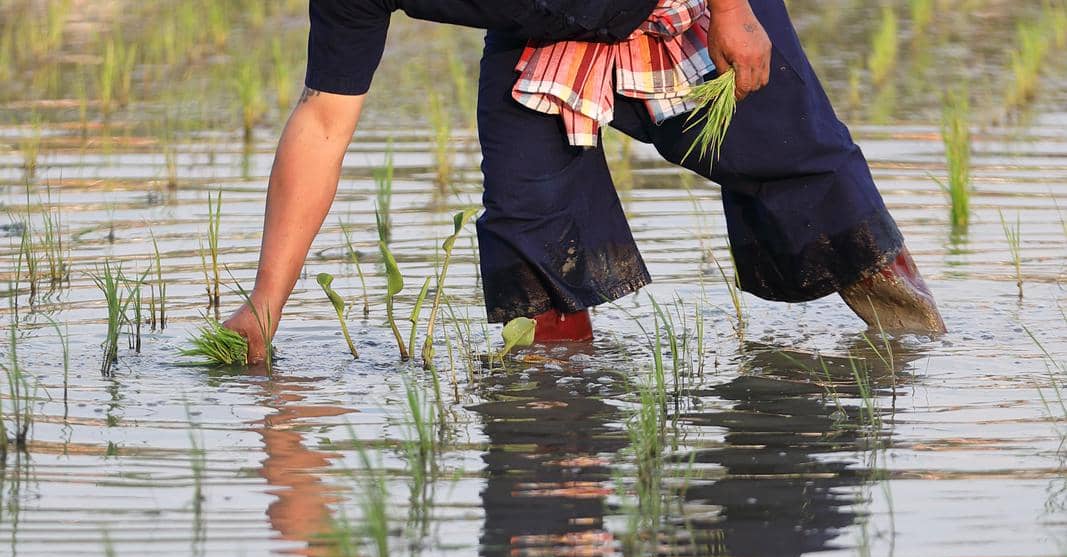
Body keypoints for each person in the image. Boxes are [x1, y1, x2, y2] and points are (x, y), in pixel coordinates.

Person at [224, 0, 945, 360]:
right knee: (530, 239)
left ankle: (915, 359)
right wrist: (263, 307)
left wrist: (731, 8)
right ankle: (557, 446)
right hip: (541, 30)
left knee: (808, 181)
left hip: (682, 7)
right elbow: (322, 122)